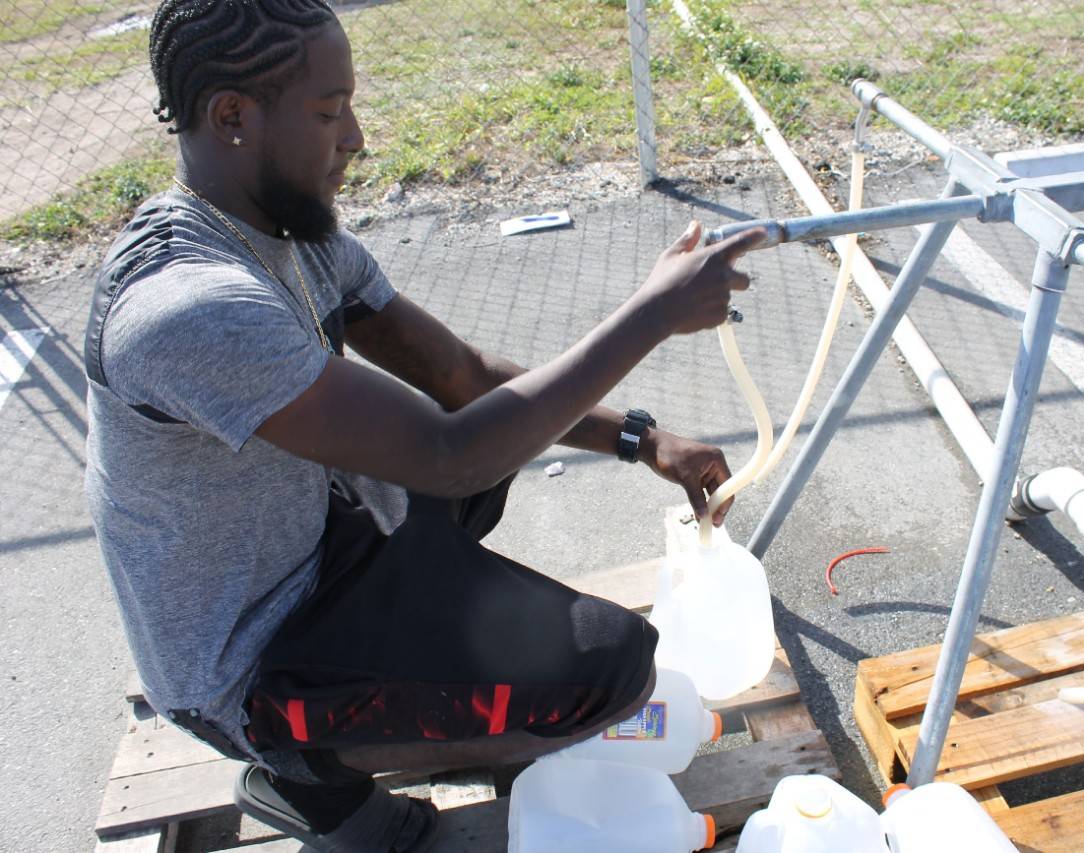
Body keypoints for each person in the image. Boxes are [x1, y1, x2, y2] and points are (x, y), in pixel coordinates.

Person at [84, 1, 763, 850]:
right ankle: (306, 777)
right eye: (330, 112)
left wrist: (643, 437)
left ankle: (437, 694)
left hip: (321, 544)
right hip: (252, 656)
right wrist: (652, 312)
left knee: (499, 433)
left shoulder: (287, 231)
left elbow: (463, 380)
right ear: (232, 117)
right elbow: (450, 457)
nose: (357, 136)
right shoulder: (183, 307)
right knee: (611, 670)